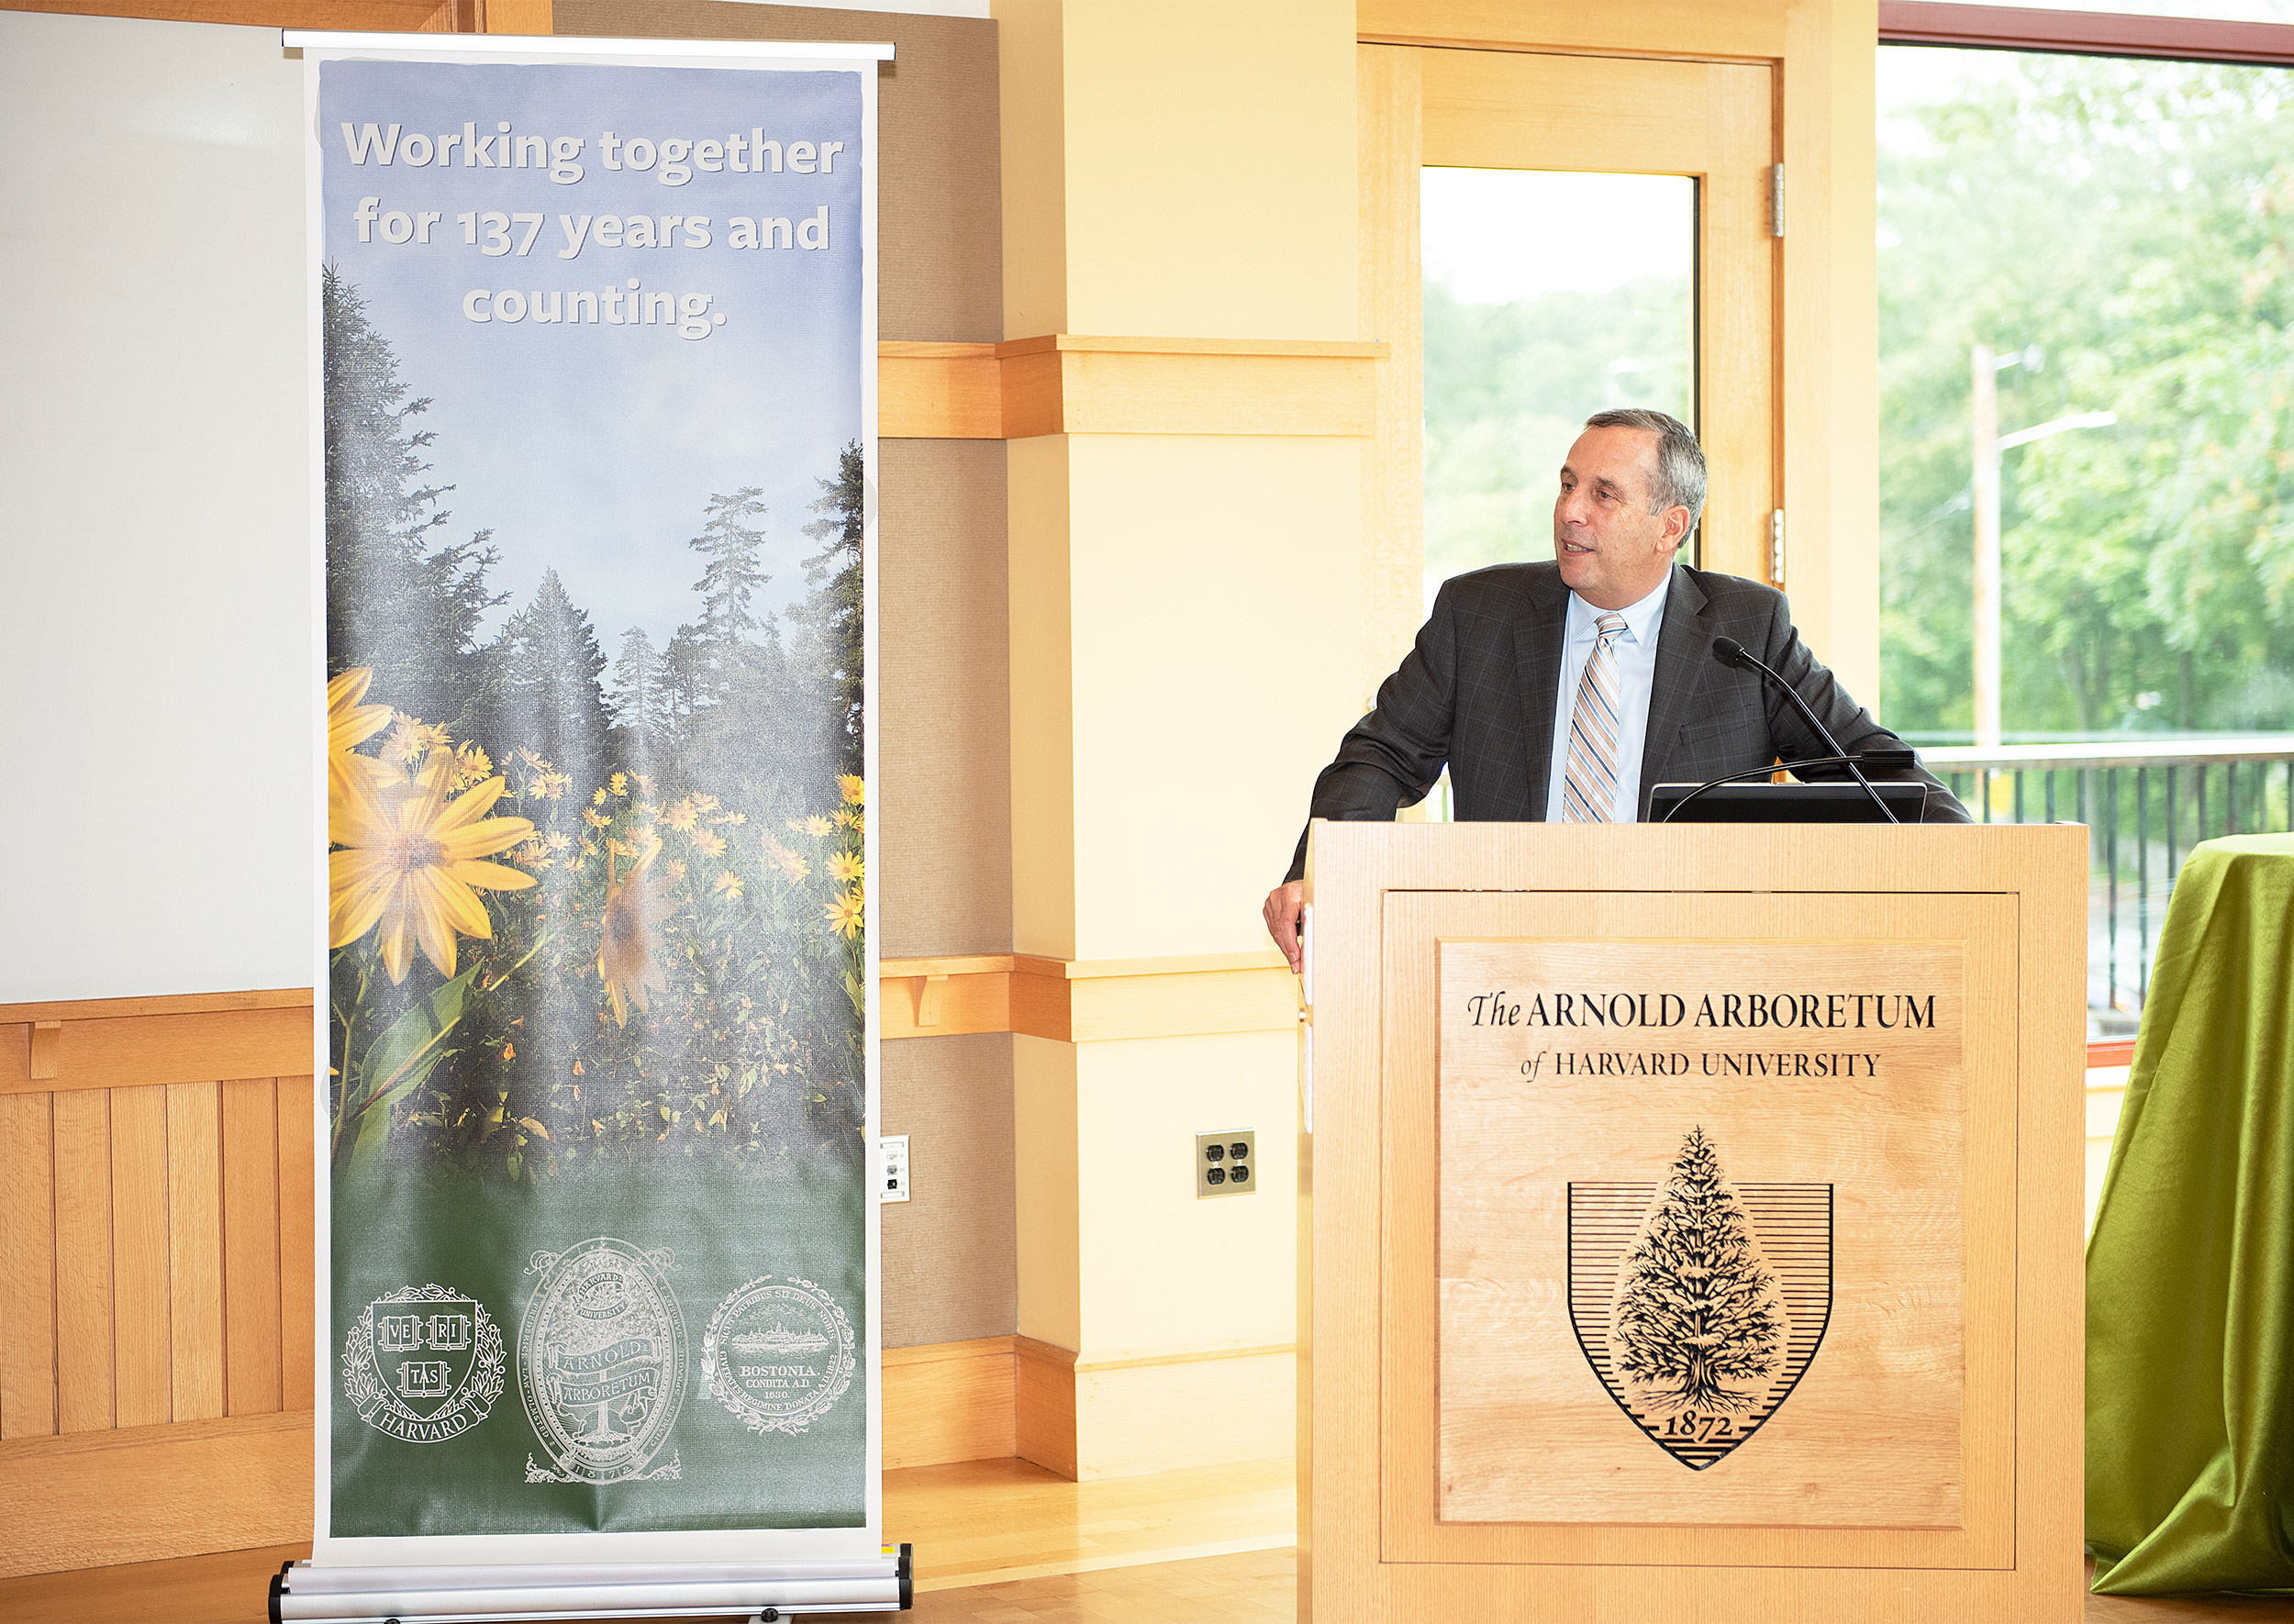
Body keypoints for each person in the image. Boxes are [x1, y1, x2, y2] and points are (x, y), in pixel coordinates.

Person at [1263, 407, 1968, 971]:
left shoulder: (1744, 629)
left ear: (1671, 527)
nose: (1571, 511)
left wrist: (1979, 862)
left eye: (1603, 495)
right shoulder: (1479, 615)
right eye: (1569, 484)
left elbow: (1866, 767)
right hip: (1502, 970)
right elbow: (1382, 754)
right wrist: (1320, 874)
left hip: (1685, 979)